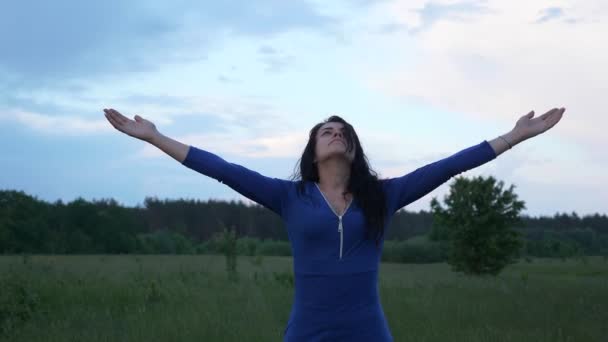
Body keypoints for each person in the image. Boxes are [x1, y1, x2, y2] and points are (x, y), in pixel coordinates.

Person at [104, 107, 565, 341]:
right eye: (327, 130)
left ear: (353, 148)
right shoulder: (290, 197)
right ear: (313, 150)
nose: (336, 133)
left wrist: (514, 136)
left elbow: (447, 167)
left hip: (369, 330)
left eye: (343, 131)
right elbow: (221, 168)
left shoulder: (383, 195)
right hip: (308, 330)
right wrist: (155, 136)